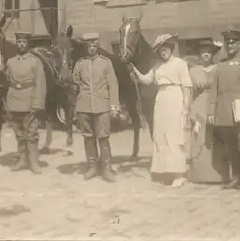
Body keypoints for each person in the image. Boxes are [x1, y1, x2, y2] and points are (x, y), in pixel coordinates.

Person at [131, 33, 193, 188]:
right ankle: (166, 171)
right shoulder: (157, 65)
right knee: (161, 134)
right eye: (161, 50)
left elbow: (187, 86)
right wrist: (134, 70)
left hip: (175, 97)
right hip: (161, 99)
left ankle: (179, 173)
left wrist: (186, 107)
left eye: (166, 49)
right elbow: (146, 80)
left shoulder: (180, 64)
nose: (164, 52)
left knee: (174, 134)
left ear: (171, 49)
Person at [207, 30, 240, 194]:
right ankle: (237, 178)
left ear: (238, 44)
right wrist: (211, 111)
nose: (230, 45)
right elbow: (214, 90)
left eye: (233, 42)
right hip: (224, 112)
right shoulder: (220, 65)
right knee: (231, 147)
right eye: (227, 43)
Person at [72, 33, 120, 182]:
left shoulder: (106, 63)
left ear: (97, 46)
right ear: (85, 47)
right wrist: (75, 108)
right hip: (84, 106)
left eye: (94, 45)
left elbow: (113, 85)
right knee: (88, 138)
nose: (91, 48)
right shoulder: (79, 64)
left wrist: (114, 106)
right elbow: (75, 86)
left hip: (102, 106)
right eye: (88, 46)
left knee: (103, 138)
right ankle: (92, 166)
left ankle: (106, 168)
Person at [188, 39, 230, 184]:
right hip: (199, 105)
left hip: (215, 105)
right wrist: (192, 114)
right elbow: (190, 94)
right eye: (202, 52)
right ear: (199, 55)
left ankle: (218, 174)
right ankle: (199, 175)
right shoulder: (193, 71)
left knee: (217, 138)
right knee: (199, 137)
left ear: (212, 54)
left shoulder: (218, 69)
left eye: (208, 52)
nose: (205, 55)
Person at [6, 31, 47, 174]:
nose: (21, 44)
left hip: (29, 102)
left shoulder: (35, 62)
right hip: (14, 102)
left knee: (31, 133)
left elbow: (40, 84)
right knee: (19, 133)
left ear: (28, 44)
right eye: (19, 42)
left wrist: (37, 104)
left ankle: (34, 162)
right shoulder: (10, 62)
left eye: (24, 42)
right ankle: (22, 160)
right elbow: (7, 82)